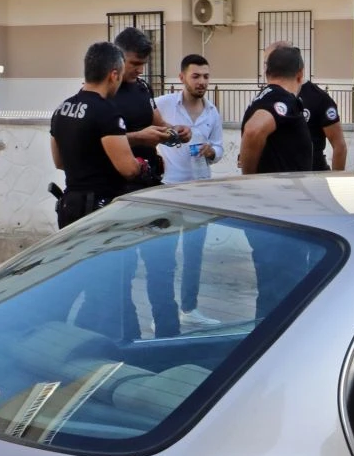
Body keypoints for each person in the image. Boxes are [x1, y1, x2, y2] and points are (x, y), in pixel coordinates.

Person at [151, 54, 226, 333]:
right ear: (182, 77)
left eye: (206, 76)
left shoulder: (212, 112)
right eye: (196, 76)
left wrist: (211, 151)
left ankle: (189, 309)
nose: (202, 82)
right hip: (169, 188)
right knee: (165, 255)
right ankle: (163, 310)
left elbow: (219, 148)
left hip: (200, 190)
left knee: (194, 252)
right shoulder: (163, 104)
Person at [49, 42, 151, 228]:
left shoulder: (61, 109)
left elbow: (59, 162)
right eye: (119, 77)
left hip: (69, 206)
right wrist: (142, 166)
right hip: (99, 210)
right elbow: (129, 169)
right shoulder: (107, 112)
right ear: (113, 75)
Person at [110, 26, 190, 191]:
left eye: (143, 64)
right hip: (115, 183)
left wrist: (176, 131)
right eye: (134, 64)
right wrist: (138, 137)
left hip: (147, 179)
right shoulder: (104, 91)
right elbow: (94, 141)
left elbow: (158, 123)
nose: (140, 70)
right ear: (117, 57)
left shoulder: (143, 87)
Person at [240, 44, 313, 175]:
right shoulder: (282, 98)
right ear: (300, 74)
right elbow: (253, 130)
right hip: (281, 192)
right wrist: (249, 179)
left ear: (267, 73)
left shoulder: (264, 97)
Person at [300, 75, 349, 172]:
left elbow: (340, 146)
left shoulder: (319, 98)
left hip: (314, 173)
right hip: (276, 177)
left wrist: (336, 179)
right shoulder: (270, 97)